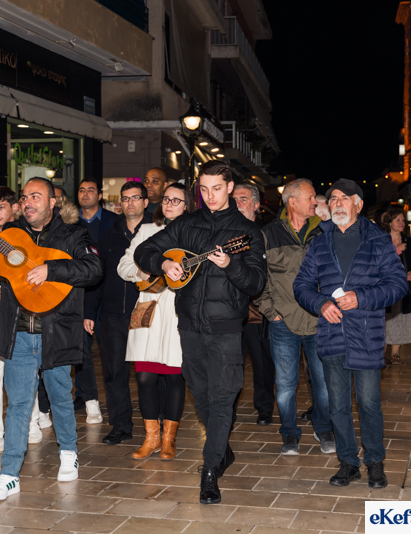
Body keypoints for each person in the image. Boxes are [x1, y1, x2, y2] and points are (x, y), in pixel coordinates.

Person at [0, 177, 103, 500]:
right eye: (25, 197)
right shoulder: (9, 237)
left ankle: (69, 453)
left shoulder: (73, 234)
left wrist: (51, 271)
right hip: (18, 331)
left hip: (55, 331)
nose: (29, 202)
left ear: (52, 202)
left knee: (60, 396)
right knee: (17, 404)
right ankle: (8, 474)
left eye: (36, 196)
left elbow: (94, 268)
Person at [135, 160, 266, 504]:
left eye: (217, 189)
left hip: (225, 328)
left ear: (230, 187)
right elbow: (143, 250)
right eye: (203, 189)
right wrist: (163, 263)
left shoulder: (246, 232)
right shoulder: (186, 225)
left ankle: (210, 472)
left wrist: (231, 264)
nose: (209, 196)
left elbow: (256, 281)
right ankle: (221, 450)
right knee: (202, 394)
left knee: (223, 397)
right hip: (189, 325)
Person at [293, 178, 407, 490]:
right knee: (337, 405)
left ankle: (375, 462)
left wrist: (362, 297)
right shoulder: (319, 242)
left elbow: (398, 285)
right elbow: (301, 285)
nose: (338, 203)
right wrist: (320, 304)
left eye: (345, 197)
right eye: (333, 198)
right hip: (331, 334)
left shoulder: (378, 240)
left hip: (366, 335)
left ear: (358, 204)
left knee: (369, 404)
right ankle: (347, 463)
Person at [0, 186, 52, 456]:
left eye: (1, 207)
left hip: (18, 316)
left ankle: (32, 420)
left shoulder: (26, 236)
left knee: (25, 374)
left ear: (15, 208)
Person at [256, 179, 335, 456]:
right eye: (311, 198)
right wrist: (271, 312)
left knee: (323, 383)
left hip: (319, 321)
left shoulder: (324, 232)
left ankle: (323, 427)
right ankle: (289, 433)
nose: (316, 202)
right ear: (293, 201)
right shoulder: (268, 234)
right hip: (283, 323)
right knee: (286, 385)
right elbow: (258, 279)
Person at [118, 182, 195, 459]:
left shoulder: (194, 233)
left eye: (176, 200)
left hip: (177, 309)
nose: (169, 204)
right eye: (166, 200)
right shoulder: (149, 231)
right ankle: (150, 438)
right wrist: (145, 275)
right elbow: (124, 265)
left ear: (187, 205)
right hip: (148, 306)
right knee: (145, 375)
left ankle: (168, 440)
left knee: (175, 376)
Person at [85, 181, 151, 445]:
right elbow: (97, 276)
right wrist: (89, 311)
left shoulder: (157, 234)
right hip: (112, 314)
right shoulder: (109, 236)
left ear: (146, 202)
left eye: (136, 198)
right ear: (119, 203)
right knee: (114, 373)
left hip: (146, 311)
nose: (130, 203)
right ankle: (120, 426)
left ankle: (153, 425)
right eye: (125, 199)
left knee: (148, 374)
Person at [232, 184, 276, 427]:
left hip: (258, 308)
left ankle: (264, 406)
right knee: (231, 363)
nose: (237, 203)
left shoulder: (265, 234)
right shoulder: (223, 232)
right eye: (234, 199)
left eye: (243, 198)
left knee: (262, 362)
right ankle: (228, 409)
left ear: (257, 205)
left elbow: (269, 273)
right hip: (230, 310)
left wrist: (256, 303)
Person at [76, 179, 114, 421]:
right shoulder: (69, 223)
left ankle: (113, 398)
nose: (86, 194)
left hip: (108, 294)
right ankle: (84, 395)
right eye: (81, 190)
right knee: (81, 351)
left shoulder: (112, 221)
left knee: (110, 350)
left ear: (99, 195)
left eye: (91, 190)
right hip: (81, 294)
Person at [382, 208, 411, 365]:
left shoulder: (409, 242)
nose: (401, 223)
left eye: (403, 220)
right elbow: (380, 261)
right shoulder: (382, 241)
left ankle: (395, 352)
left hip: (404, 289)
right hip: (385, 288)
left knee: (398, 318)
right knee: (385, 319)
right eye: (398, 220)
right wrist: (397, 250)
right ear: (390, 222)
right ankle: (382, 353)